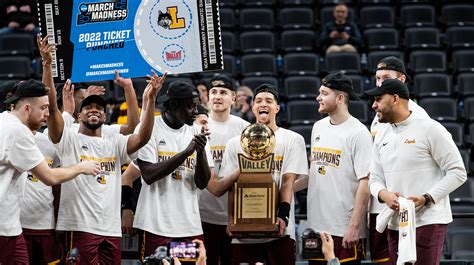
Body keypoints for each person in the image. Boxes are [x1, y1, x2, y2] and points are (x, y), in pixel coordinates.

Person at [38, 34, 165, 263]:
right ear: (78, 115)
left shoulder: (113, 141)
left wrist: (148, 98)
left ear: (106, 116)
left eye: (99, 107)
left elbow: (141, 136)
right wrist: (47, 65)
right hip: (79, 227)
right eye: (88, 108)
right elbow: (53, 110)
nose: (93, 110)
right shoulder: (68, 139)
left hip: (111, 229)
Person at [366, 79, 467, 264]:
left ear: (395, 99)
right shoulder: (381, 135)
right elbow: (374, 178)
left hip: (428, 221)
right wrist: (383, 194)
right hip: (395, 223)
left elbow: (458, 172)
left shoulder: (430, 128)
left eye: (378, 99)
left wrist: (427, 198)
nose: (374, 105)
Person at [0, 79, 100, 264]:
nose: (47, 113)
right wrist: (81, 167)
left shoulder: (4, 121)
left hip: (11, 226)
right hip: (4, 228)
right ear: (27, 108)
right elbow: (49, 177)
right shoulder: (17, 131)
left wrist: (67, 114)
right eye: (44, 108)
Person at [218, 84, 308, 265]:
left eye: (269, 101)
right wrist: (231, 220)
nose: (263, 104)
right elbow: (231, 187)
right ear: (252, 108)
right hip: (244, 230)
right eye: (258, 101)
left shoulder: (293, 139)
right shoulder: (235, 143)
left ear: (277, 108)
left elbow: (288, 182)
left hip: (279, 228)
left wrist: (283, 215)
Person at [133, 79, 213, 261]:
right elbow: (148, 175)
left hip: (188, 225)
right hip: (155, 225)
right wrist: (186, 152)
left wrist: (200, 153)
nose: (195, 111)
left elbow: (202, 183)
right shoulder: (149, 128)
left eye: (196, 106)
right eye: (190, 107)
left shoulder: (197, 130)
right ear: (174, 105)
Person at [301, 72, 371, 265]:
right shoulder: (318, 127)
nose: (318, 98)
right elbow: (317, 172)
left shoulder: (358, 133)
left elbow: (365, 183)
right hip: (316, 226)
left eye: (324, 93)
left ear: (339, 98)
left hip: (344, 227)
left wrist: (355, 226)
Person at [368, 56, 430, 265]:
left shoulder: (419, 117)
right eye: (377, 78)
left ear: (401, 79)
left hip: (408, 207)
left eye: (386, 78)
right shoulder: (378, 115)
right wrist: (382, 193)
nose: (380, 83)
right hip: (383, 203)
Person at [199, 74, 249, 265]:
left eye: (223, 92)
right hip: (202, 213)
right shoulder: (197, 127)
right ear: (207, 97)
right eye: (213, 92)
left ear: (233, 98)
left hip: (235, 216)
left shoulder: (245, 128)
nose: (217, 96)